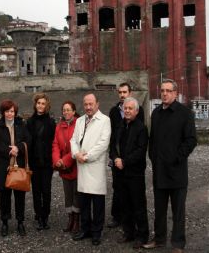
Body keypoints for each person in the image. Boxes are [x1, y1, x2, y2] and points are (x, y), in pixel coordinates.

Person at [143, 79, 197, 253]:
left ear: (175, 93)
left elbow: (191, 140)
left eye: (168, 91)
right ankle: (159, 239)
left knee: (178, 211)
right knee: (159, 209)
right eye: (162, 90)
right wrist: (153, 156)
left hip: (177, 172)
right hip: (159, 171)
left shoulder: (185, 113)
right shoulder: (157, 112)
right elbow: (152, 140)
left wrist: (176, 158)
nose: (164, 93)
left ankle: (178, 244)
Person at [71, 93, 111, 246]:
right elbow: (73, 140)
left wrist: (86, 157)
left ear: (97, 104)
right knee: (84, 202)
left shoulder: (105, 120)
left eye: (91, 104)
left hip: (94, 166)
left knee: (98, 203)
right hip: (82, 164)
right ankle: (85, 229)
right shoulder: (80, 120)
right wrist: (76, 154)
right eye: (86, 104)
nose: (88, 107)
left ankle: (97, 232)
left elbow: (103, 144)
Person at [110, 97, 149, 249]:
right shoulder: (119, 126)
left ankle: (142, 235)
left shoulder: (141, 128)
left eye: (130, 108)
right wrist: (115, 157)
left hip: (135, 173)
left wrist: (124, 161)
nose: (127, 111)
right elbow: (112, 145)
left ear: (136, 111)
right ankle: (129, 232)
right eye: (125, 108)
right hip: (120, 172)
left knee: (138, 205)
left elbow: (140, 151)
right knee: (124, 204)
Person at [0, 99, 31, 237]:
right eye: (7, 111)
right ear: (3, 112)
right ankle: (5, 222)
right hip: (4, 167)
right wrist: (9, 151)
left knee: (20, 196)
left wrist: (18, 148)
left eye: (12, 111)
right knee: (5, 197)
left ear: (15, 112)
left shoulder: (21, 124)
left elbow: (28, 140)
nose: (10, 114)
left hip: (18, 166)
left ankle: (20, 222)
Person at [108, 82, 145, 228]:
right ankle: (117, 216)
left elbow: (138, 135)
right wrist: (114, 157)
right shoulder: (114, 111)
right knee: (117, 187)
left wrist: (127, 159)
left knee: (134, 192)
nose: (122, 95)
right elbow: (112, 135)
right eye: (120, 92)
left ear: (130, 93)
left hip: (131, 158)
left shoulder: (139, 110)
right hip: (117, 155)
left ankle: (134, 221)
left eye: (125, 92)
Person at [26, 93, 56, 230]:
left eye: (43, 103)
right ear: (35, 104)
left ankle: (46, 216)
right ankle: (39, 216)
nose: (40, 105)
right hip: (34, 162)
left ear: (46, 105)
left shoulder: (51, 122)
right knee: (36, 192)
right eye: (38, 103)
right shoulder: (30, 122)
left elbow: (54, 142)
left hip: (47, 163)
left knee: (47, 191)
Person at [52, 101, 80, 234]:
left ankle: (77, 220)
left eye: (69, 110)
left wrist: (64, 160)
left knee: (77, 194)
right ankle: (70, 219)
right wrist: (57, 160)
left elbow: (78, 146)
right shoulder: (59, 126)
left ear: (74, 112)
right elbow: (55, 144)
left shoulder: (79, 125)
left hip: (75, 165)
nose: (66, 112)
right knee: (67, 194)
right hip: (63, 167)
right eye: (64, 110)